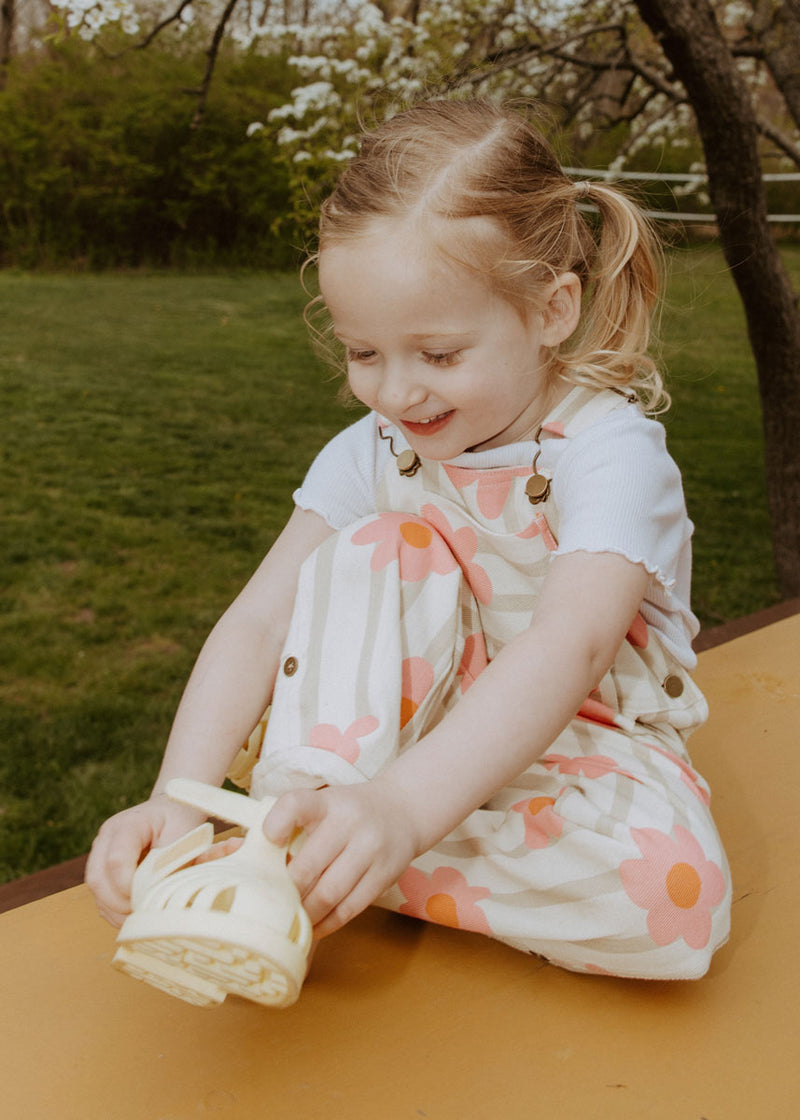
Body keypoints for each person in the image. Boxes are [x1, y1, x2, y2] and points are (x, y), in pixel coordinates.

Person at [86, 98, 731, 980]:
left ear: (552, 310)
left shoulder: (611, 454)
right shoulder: (373, 453)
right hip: (383, 748)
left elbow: (571, 646)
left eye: (437, 353)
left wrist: (402, 810)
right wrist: (178, 800)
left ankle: (315, 858)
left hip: (574, 753)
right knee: (377, 546)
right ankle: (302, 826)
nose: (396, 394)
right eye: (363, 353)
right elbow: (256, 624)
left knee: (676, 907)